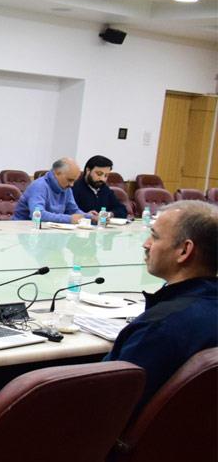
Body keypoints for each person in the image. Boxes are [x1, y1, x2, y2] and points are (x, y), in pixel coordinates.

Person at [104, 200, 217, 411]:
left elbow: (104, 403)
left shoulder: (159, 327)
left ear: (184, 251)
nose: (146, 244)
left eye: (154, 236)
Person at [13, 157, 87, 224]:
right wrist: (69, 219)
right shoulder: (39, 186)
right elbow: (38, 214)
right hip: (25, 230)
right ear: (57, 173)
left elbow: (73, 211)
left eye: (74, 181)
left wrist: (90, 217)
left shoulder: (66, 188)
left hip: (48, 230)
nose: (72, 185)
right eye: (70, 180)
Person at [72, 154, 128, 219]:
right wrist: (85, 215)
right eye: (99, 174)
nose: (102, 179)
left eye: (106, 175)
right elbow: (68, 211)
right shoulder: (74, 188)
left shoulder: (104, 189)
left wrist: (109, 214)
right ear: (88, 170)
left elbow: (122, 209)